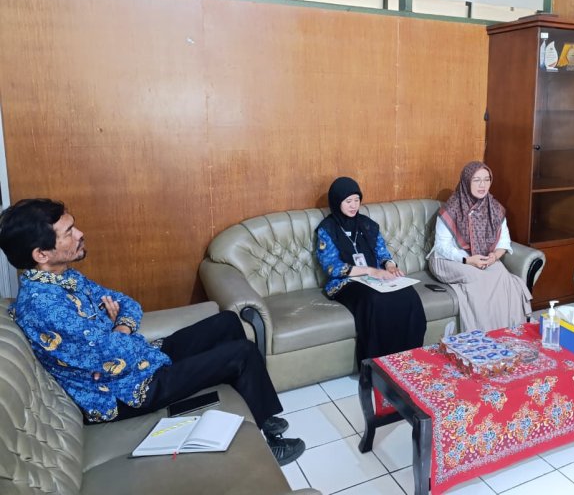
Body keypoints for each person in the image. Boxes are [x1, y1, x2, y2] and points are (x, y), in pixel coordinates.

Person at [0, 198, 305, 466]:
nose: (79, 234)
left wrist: (119, 326)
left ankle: (257, 410)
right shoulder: (43, 306)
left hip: (138, 360)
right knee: (242, 353)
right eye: (68, 232)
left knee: (227, 322)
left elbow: (128, 304)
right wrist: (118, 330)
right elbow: (111, 355)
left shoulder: (65, 279)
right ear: (41, 254)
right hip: (125, 391)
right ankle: (268, 441)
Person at [315, 177, 426, 364]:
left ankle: (409, 358)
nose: (353, 206)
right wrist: (370, 271)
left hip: (375, 279)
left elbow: (382, 253)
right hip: (345, 283)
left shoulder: (368, 225)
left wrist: (390, 265)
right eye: (348, 201)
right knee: (375, 300)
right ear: (336, 202)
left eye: (357, 200)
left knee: (409, 295)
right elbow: (332, 267)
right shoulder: (327, 229)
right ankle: (377, 364)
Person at [428, 161, 532, 332]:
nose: (482, 185)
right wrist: (468, 260)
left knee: (503, 275)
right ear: (466, 182)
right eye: (476, 180)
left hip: (481, 258)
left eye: (486, 179)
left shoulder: (495, 209)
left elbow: (504, 242)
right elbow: (441, 247)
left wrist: (494, 256)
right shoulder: (451, 209)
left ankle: (509, 331)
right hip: (447, 260)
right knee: (478, 277)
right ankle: (482, 334)